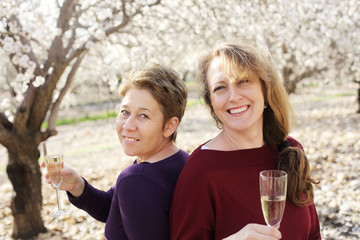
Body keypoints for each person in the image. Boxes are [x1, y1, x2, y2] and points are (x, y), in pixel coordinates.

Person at [169, 38, 321, 240]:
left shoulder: (290, 149)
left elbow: (312, 234)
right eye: (220, 88)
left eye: (243, 81)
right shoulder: (201, 170)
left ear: (265, 89)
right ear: (211, 103)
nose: (234, 96)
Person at [42, 65, 189, 240]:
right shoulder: (179, 161)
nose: (127, 125)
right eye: (125, 112)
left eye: (143, 115)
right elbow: (115, 211)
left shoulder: (137, 178)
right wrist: (77, 186)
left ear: (170, 125)